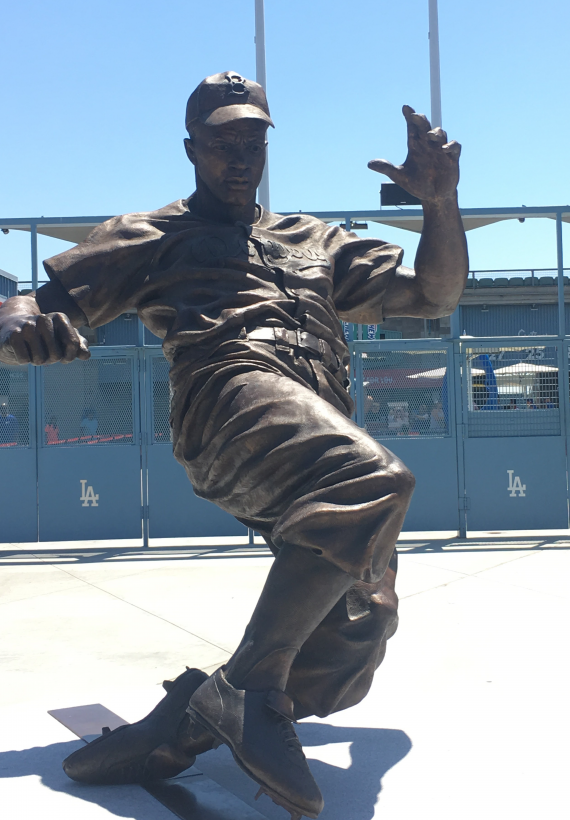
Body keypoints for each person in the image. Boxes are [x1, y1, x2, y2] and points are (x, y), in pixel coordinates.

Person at [0, 71, 467, 819]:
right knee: (373, 481)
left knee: (356, 635)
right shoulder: (153, 236)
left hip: (316, 416)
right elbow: (31, 306)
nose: (240, 156)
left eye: (253, 140)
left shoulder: (314, 239)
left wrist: (440, 203)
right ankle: (248, 690)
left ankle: (191, 716)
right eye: (223, 143)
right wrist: (16, 327)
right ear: (192, 149)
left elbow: (434, 294)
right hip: (229, 395)